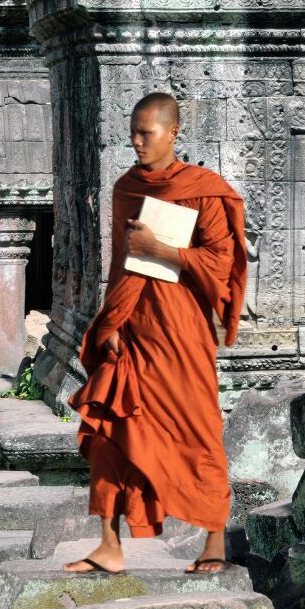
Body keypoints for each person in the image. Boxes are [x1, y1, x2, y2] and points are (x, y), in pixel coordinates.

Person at [63, 92, 247, 575]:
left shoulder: (204, 189)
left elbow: (221, 264)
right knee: (108, 431)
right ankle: (108, 544)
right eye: (133, 132)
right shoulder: (125, 187)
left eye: (147, 132)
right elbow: (122, 268)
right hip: (131, 332)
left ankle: (213, 542)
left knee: (199, 431)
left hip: (181, 332)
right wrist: (111, 323)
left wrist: (163, 248)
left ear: (174, 132)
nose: (137, 141)